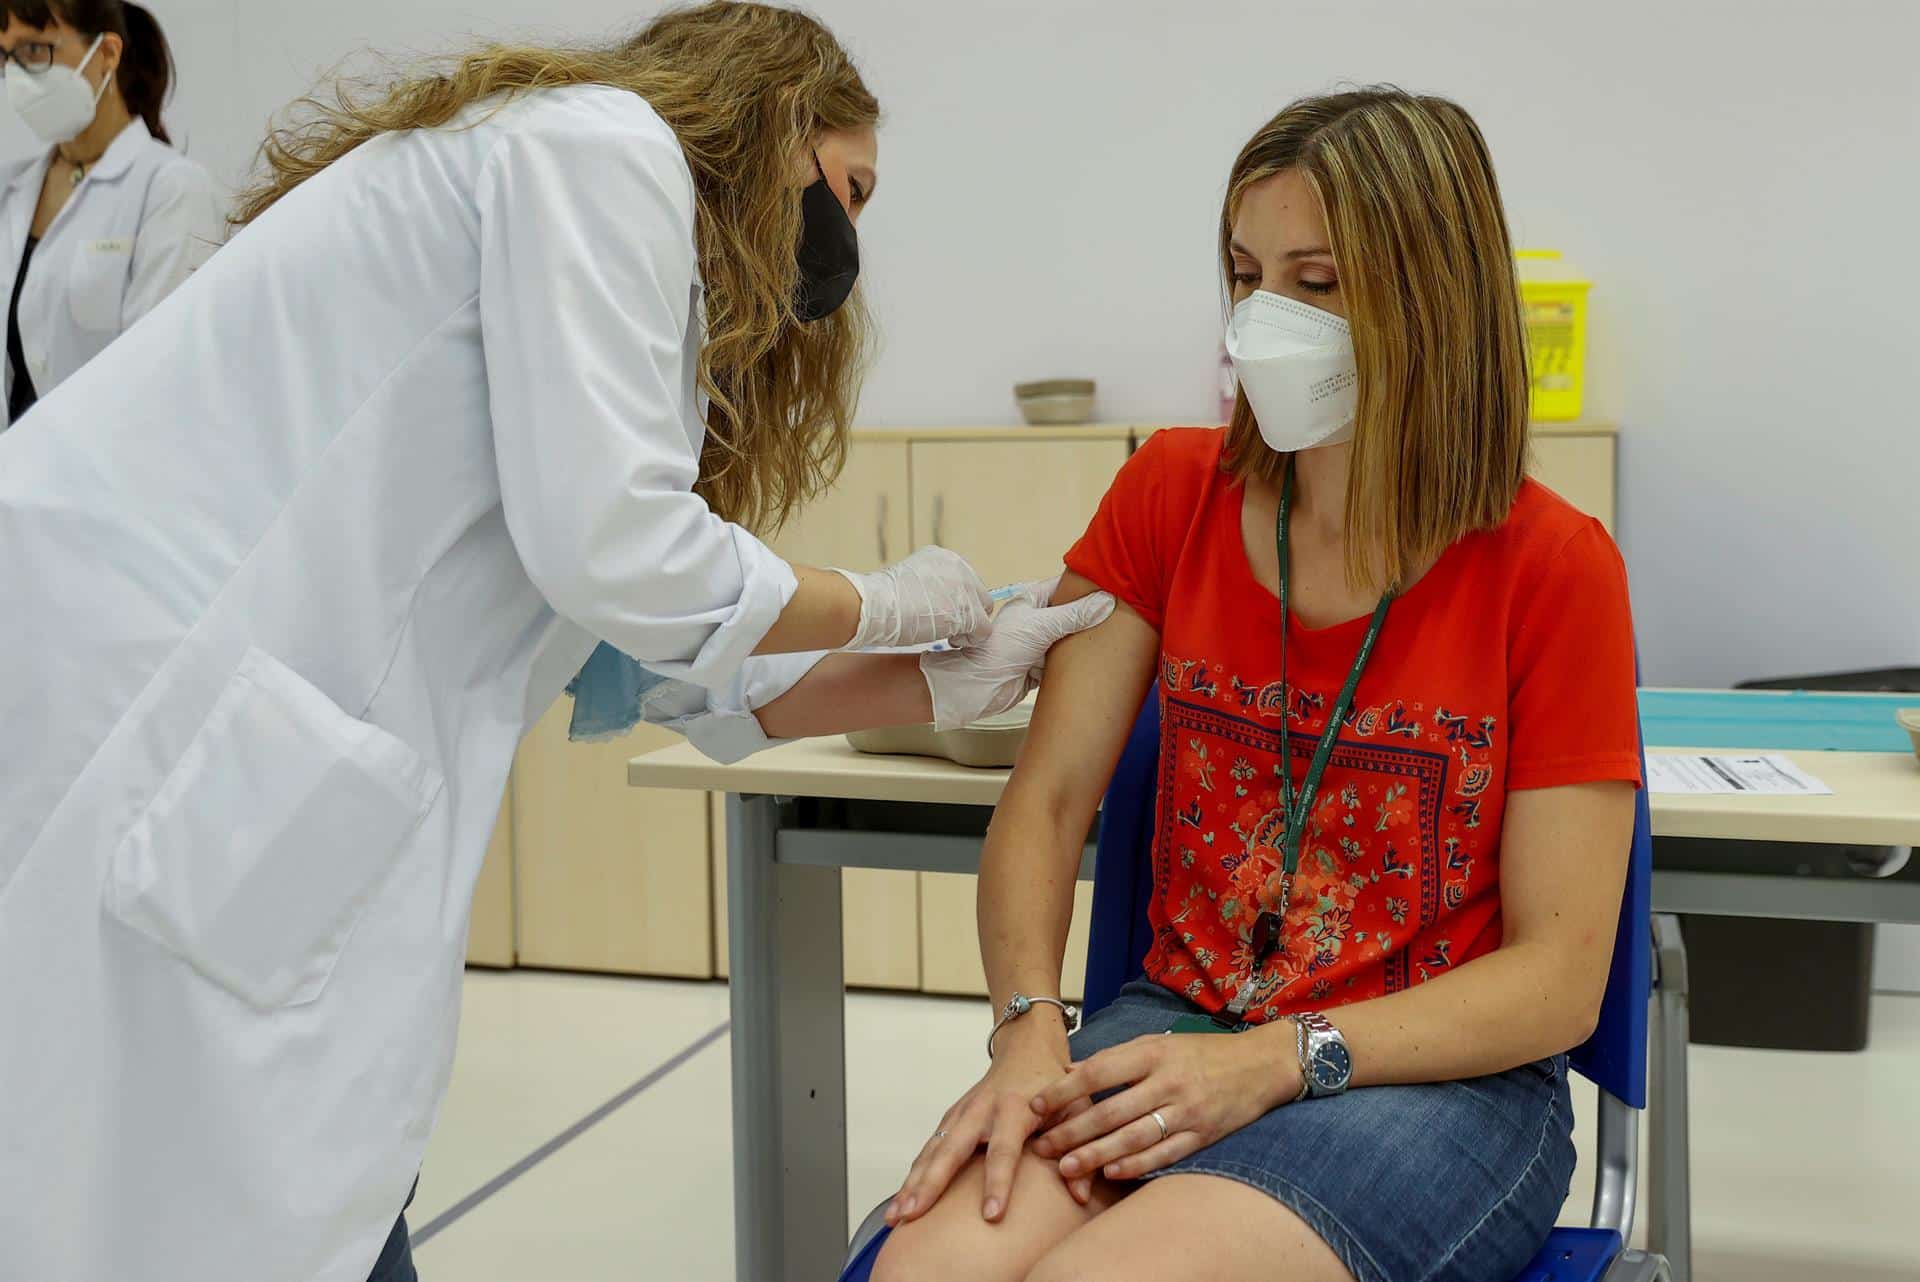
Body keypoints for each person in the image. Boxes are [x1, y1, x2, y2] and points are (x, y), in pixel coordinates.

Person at [0, 5, 1110, 1281]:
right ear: (769, 123)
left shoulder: (585, 228)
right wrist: (887, 602)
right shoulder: (601, 148)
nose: (844, 240)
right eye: (847, 189)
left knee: (240, 1188)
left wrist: (930, 674)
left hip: (233, 755)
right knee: (172, 1181)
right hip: (127, 696)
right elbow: (620, 554)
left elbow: (659, 659)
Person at [870, 88, 1642, 1282]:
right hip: (1170, 1031)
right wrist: (1027, 1033)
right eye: (1244, 275)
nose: (1262, 320)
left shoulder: (1553, 567)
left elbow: (1556, 980)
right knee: (928, 1272)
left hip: (1431, 1082)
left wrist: (1281, 1057)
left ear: (1435, 301)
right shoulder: (1170, 496)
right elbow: (1048, 795)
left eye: (1317, 282)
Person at [0, 0, 222, 424]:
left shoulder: (170, 190)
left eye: (35, 51)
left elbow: (159, 376)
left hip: (100, 479)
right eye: (6, 57)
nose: (17, 77)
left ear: (106, 55)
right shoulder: (8, 192)